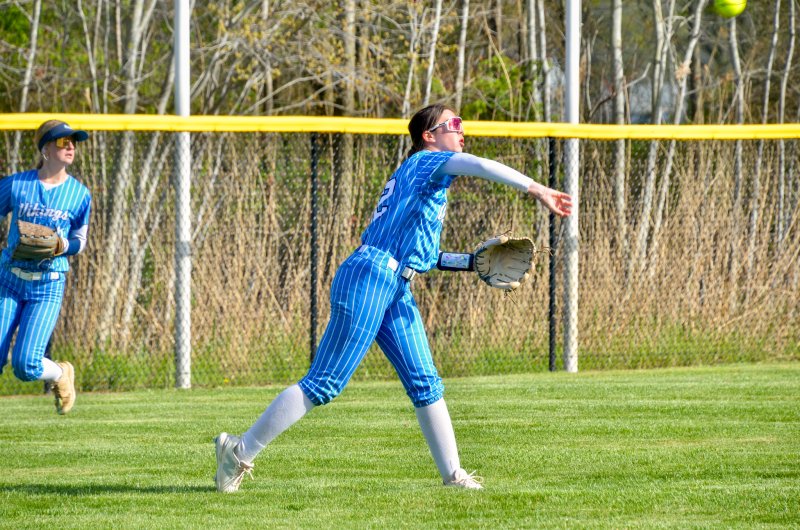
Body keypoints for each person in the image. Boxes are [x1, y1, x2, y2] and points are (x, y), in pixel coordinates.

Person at [214, 104, 572, 492]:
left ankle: (454, 477)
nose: (461, 131)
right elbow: (479, 165)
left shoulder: (426, 187)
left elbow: (426, 257)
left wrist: (471, 262)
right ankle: (239, 450)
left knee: (426, 384)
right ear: (428, 136)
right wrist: (535, 188)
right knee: (324, 383)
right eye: (452, 125)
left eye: (462, 126)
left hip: (396, 284)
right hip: (369, 276)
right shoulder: (424, 162)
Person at [0, 120, 92, 414]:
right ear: (45, 149)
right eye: (63, 142)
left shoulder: (79, 194)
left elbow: (80, 240)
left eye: (73, 143)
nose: (70, 147)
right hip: (9, 279)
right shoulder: (17, 185)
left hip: (47, 284)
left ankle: (61, 374)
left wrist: (63, 246)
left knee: (26, 365)